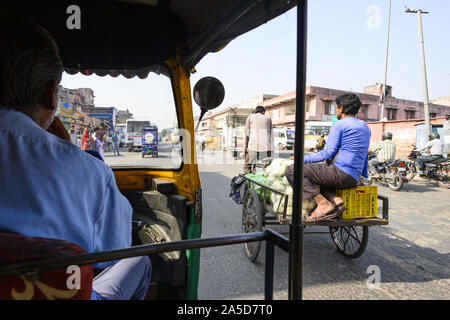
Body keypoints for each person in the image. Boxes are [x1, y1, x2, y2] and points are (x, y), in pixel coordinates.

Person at [0, 13, 151, 300]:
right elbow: (112, 250)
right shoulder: (88, 172)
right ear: (51, 95)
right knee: (139, 261)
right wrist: (70, 153)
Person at [285, 93, 371, 222]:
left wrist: (300, 159)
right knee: (322, 171)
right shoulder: (365, 127)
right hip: (353, 178)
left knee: (292, 170)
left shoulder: (340, 124)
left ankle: (322, 203)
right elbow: (364, 156)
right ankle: (335, 199)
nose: (336, 111)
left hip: (341, 174)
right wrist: (362, 177)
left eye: (336, 108)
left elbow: (327, 153)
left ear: (341, 108)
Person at [243, 106, 273, 174]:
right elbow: (270, 133)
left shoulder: (250, 117)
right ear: (263, 112)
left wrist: (246, 148)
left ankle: (249, 181)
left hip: (253, 146)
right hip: (266, 146)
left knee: (247, 166)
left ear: (255, 111)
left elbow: (247, 134)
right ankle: (265, 182)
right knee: (267, 167)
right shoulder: (268, 118)